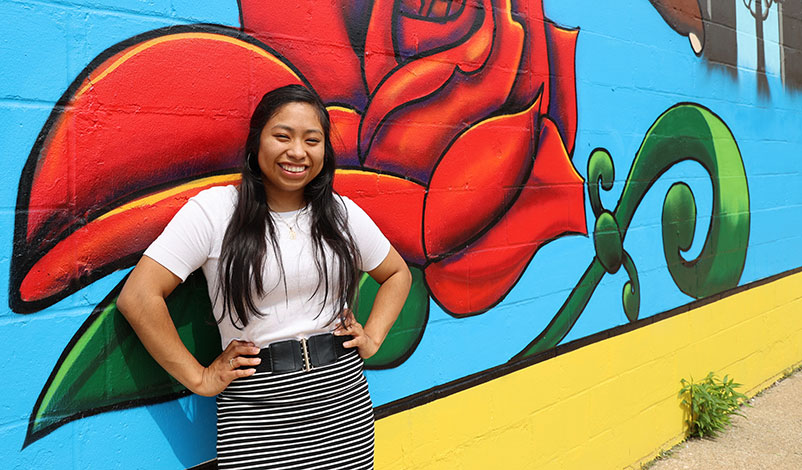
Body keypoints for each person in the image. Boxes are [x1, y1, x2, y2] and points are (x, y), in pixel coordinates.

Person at [117, 84, 412, 469]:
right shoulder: (215, 211)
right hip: (257, 411)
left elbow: (396, 274)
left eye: (312, 140)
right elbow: (138, 297)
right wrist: (201, 379)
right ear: (257, 142)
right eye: (282, 136)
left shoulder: (340, 213)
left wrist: (372, 337)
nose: (298, 152)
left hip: (343, 404)